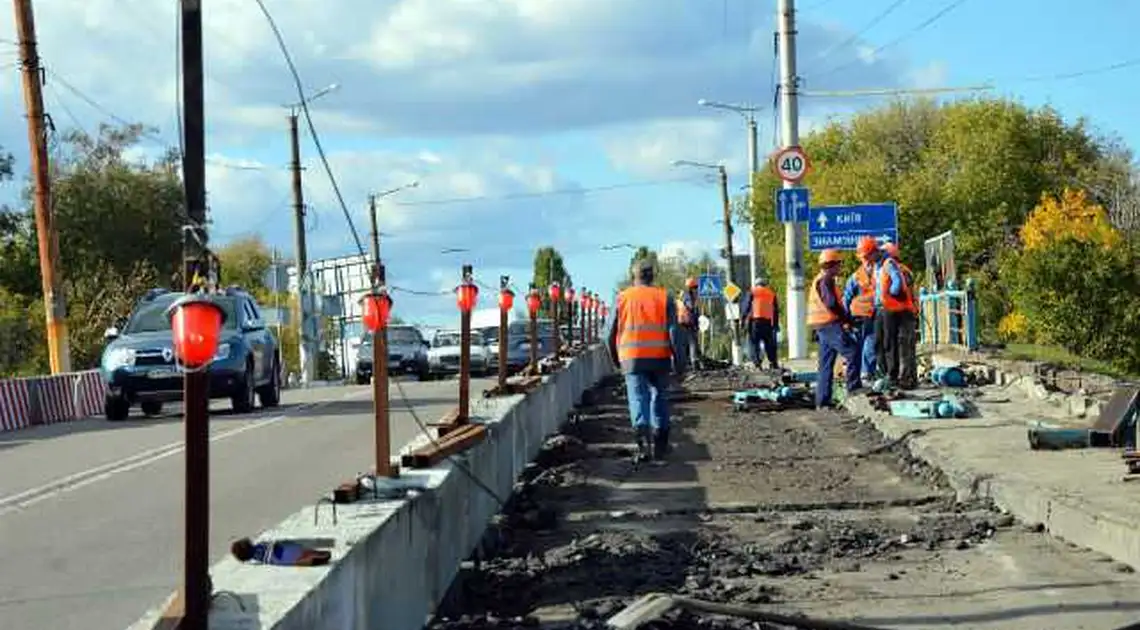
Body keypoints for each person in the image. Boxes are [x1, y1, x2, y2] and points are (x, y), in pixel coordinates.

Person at [607, 260, 678, 461]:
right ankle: (661, 448)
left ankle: (643, 448)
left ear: (634, 276)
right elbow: (674, 334)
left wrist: (616, 359)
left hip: (631, 359)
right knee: (660, 398)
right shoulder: (665, 297)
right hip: (660, 358)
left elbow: (608, 335)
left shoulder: (621, 298)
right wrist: (680, 362)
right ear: (652, 276)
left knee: (638, 399)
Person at [808, 249, 861, 409]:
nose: (840, 268)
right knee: (852, 351)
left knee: (826, 364)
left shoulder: (820, 280)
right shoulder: (826, 281)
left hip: (821, 325)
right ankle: (853, 389)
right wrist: (847, 319)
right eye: (838, 264)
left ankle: (822, 401)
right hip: (829, 324)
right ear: (831, 265)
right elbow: (831, 304)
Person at [875, 242, 918, 389]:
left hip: (904, 312)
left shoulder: (897, 270)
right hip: (909, 311)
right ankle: (910, 378)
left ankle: (906, 379)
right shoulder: (905, 269)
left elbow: (898, 289)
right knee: (907, 346)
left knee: (903, 346)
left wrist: (892, 294)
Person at [843, 236, 881, 384]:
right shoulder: (878, 271)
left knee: (859, 346)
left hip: (859, 316)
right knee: (869, 345)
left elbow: (846, 298)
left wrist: (844, 318)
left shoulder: (856, 275)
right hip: (867, 315)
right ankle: (865, 374)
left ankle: (858, 375)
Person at [739, 276, 779, 370]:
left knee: (754, 343)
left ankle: (757, 364)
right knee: (769, 343)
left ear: (756, 284)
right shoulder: (771, 293)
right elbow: (776, 310)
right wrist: (775, 325)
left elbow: (746, 307)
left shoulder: (752, 292)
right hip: (768, 322)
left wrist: (742, 320)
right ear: (765, 284)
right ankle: (773, 362)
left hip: (755, 321)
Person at [679, 277, 703, 370]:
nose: (696, 289)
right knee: (692, 343)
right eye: (695, 287)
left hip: (687, 322)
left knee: (691, 343)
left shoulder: (686, 295)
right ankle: (694, 363)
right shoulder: (687, 296)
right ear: (691, 287)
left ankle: (694, 362)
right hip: (688, 323)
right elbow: (691, 307)